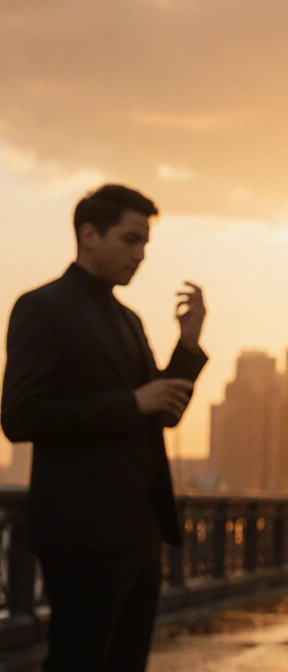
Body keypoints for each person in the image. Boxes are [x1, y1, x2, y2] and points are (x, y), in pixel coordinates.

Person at [1, 184, 208, 671]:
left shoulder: (128, 319)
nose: (140, 255)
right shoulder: (43, 307)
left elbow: (163, 410)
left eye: (145, 244)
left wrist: (189, 343)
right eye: (130, 240)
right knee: (79, 662)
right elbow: (19, 416)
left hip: (140, 532)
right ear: (89, 235)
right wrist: (130, 402)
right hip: (82, 533)